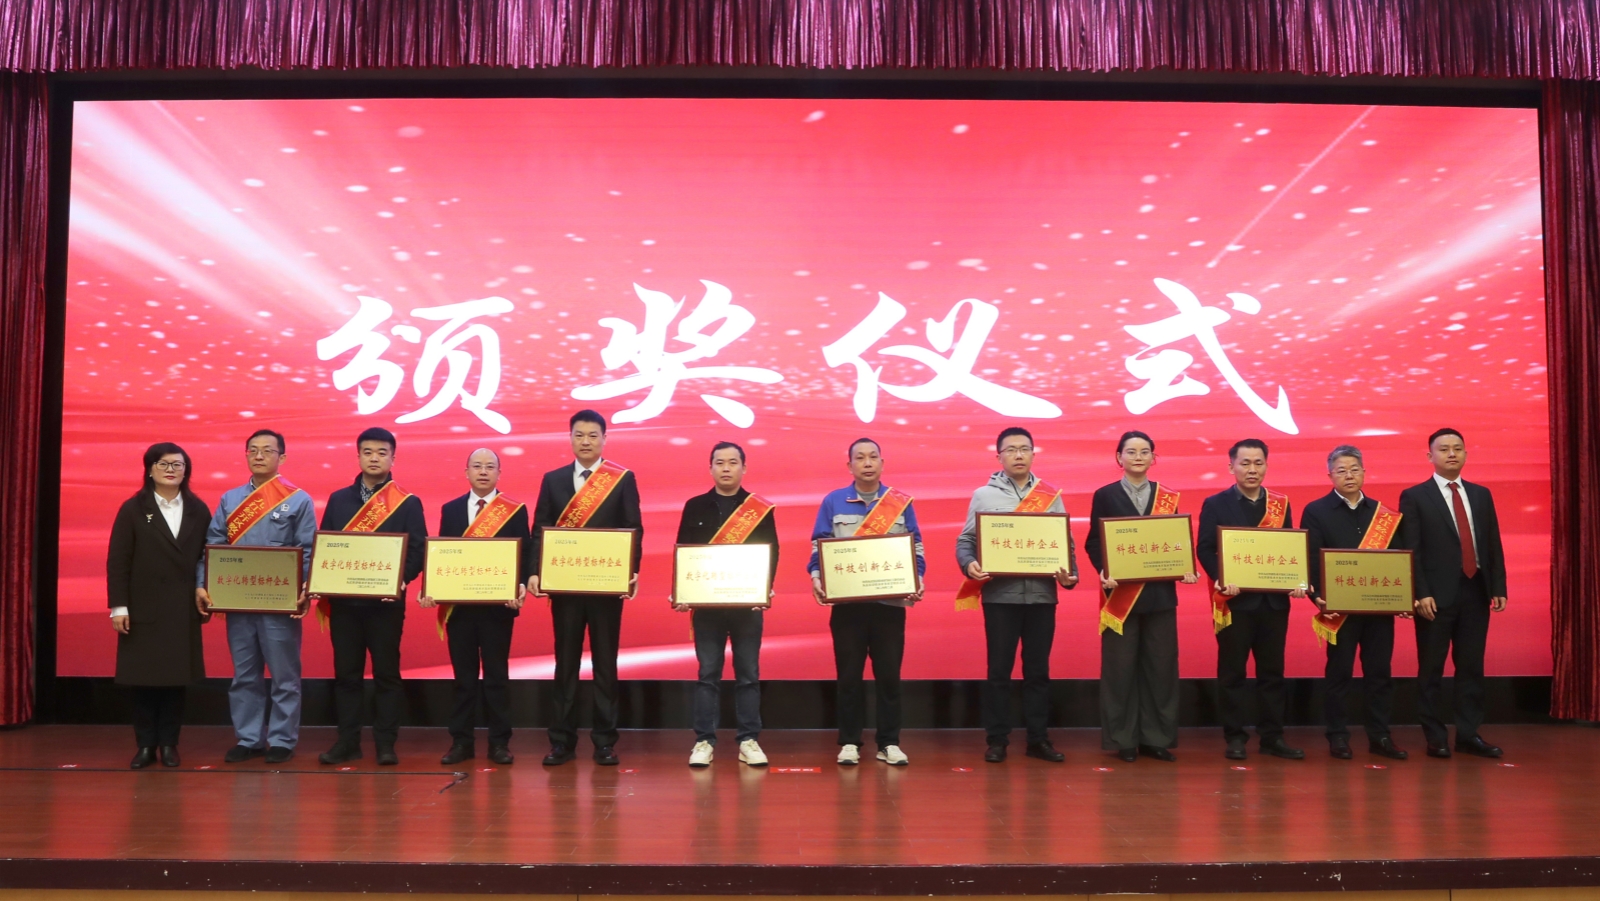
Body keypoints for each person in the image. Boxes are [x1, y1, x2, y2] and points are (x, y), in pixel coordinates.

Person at [954, 426, 1078, 764]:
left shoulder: (1050, 495)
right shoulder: (984, 496)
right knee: (999, 672)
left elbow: (1064, 544)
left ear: (1034, 454)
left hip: (1041, 597)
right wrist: (969, 563)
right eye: (1011, 449)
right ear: (999, 457)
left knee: (1038, 672)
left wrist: (1070, 576)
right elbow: (966, 541)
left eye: (1025, 449)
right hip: (1000, 597)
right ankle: (997, 740)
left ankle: (1038, 739)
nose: (1019, 455)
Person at [196, 429, 316, 765]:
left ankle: (281, 739)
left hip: (280, 603)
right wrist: (203, 583)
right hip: (239, 601)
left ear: (282, 457)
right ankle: (249, 738)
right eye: (253, 450)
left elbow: (308, 549)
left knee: (284, 676)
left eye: (267, 450)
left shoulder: (298, 500)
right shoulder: (230, 499)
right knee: (245, 674)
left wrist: (305, 589)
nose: (259, 455)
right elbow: (213, 546)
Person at [529, 409, 643, 767]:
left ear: (605, 439)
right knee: (565, 663)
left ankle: (604, 741)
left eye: (593, 435)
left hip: (606, 588)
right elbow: (540, 528)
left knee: (605, 664)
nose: (586, 441)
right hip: (565, 589)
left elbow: (633, 528)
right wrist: (535, 572)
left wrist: (630, 572)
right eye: (579, 435)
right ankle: (561, 741)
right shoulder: (553, 480)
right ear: (570, 439)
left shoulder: (621, 479)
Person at [808, 437, 926, 767]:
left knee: (889, 676)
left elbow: (916, 546)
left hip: (889, 605)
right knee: (849, 676)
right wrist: (817, 577)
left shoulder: (899, 503)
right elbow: (819, 546)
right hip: (848, 607)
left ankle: (889, 743)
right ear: (850, 466)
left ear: (882, 463)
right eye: (860, 457)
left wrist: (917, 578)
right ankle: (849, 742)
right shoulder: (833, 501)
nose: (867, 462)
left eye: (873, 456)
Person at [313, 427, 427, 767]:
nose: (374, 458)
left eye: (381, 452)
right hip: (345, 605)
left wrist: (401, 580)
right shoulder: (339, 500)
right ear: (358, 456)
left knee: (386, 675)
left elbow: (417, 550)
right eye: (367, 452)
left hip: (385, 606)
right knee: (346, 675)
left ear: (393, 458)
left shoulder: (407, 502)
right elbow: (327, 544)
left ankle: (385, 743)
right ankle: (347, 742)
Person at [1084, 430, 1193, 763]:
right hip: (1121, 597)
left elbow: (1175, 542)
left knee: (1161, 669)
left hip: (1160, 597)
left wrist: (1185, 566)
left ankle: (1156, 738)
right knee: (1120, 669)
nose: (1138, 457)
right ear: (1119, 457)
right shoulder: (1105, 495)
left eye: (1145, 451)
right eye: (1131, 452)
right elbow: (1093, 542)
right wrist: (1104, 569)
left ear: (1153, 458)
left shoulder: (1167, 497)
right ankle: (1124, 739)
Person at [1399, 428, 1508, 759]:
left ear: (1465, 454)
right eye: (1444, 449)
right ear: (1429, 456)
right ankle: (1435, 736)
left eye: (1457, 448)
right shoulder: (1415, 496)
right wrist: (1420, 593)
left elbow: (1492, 542)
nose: (1451, 454)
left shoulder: (1481, 494)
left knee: (1471, 667)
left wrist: (1498, 586)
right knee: (1431, 669)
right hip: (1435, 597)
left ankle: (1468, 734)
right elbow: (1412, 549)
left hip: (1475, 590)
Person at [1196, 438, 1308, 761]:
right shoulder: (1215, 503)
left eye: (1258, 463)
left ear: (1267, 466)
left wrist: (1296, 581)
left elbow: (1287, 549)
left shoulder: (1280, 505)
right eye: (1245, 463)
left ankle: (1272, 737)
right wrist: (1221, 578)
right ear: (1231, 466)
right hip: (1235, 602)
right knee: (1233, 673)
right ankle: (1235, 737)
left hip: (1273, 603)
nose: (1252, 469)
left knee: (1272, 673)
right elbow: (1205, 548)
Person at [419, 448, 531, 767]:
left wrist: (521, 585)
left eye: (490, 466)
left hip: (498, 608)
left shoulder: (514, 510)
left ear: (499, 473)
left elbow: (524, 554)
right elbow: (444, 556)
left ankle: (499, 743)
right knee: (463, 678)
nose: (483, 471)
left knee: (497, 676)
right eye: (477, 466)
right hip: (461, 609)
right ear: (466, 472)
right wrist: (432, 588)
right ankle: (461, 742)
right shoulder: (451, 509)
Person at [673, 441, 779, 768]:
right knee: (708, 674)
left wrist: (764, 589)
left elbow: (771, 552)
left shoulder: (759, 508)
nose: (727, 468)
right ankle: (704, 741)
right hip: (707, 608)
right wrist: (681, 592)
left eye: (733, 462)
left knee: (748, 675)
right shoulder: (695, 506)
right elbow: (685, 551)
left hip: (747, 607)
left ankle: (749, 740)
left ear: (744, 468)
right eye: (720, 462)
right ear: (711, 468)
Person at [106, 442, 211, 769]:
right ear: (149, 469)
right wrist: (119, 606)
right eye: (163, 464)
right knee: (143, 681)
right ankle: (145, 745)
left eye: (178, 464)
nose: (171, 470)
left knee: (175, 681)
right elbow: (118, 561)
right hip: (143, 608)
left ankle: (169, 744)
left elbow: (207, 557)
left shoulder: (198, 509)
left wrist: (203, 588)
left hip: (181, 608)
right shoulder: (133, 508)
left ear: (186, 471)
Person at [1302, 445, 1409, 761]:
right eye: (1341, 470)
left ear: (1364, 473)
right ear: (1330, 475)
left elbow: (1398, 560)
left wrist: (1404, 597)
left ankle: (1380, 736)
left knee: (1379, 674)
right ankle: (1337, 736)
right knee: (1339, 675)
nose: (1349, 475)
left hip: (1378, 609)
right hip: (1340, 609)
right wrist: (1317, 597)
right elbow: (1310, 558)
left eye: (1354, 469)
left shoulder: (1383, 515)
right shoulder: (1316, 511)